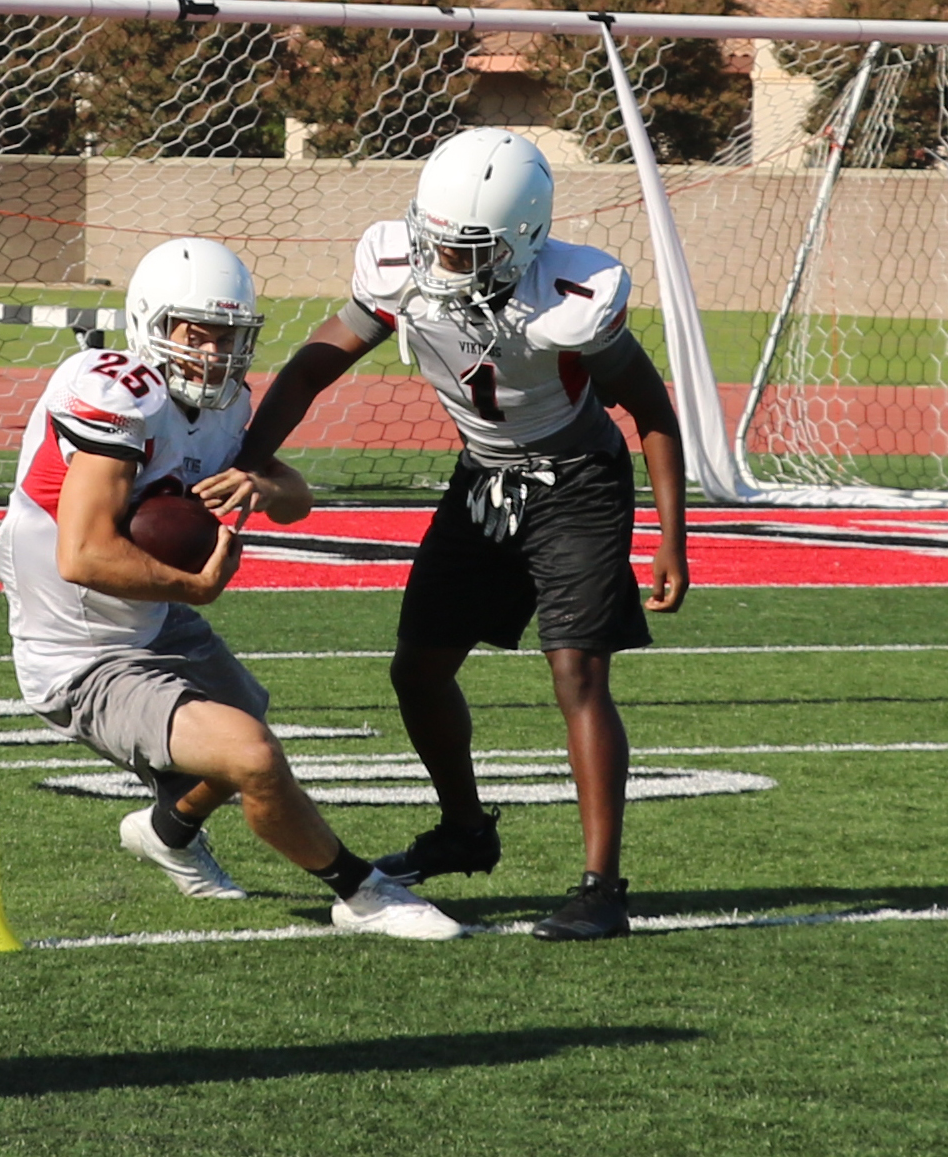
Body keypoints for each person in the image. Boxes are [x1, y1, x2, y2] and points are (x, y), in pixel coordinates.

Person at [224, 128, 689, 941]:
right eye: (434, 239)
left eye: (467, 249)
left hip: (577, 481)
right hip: (483, 475)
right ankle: (466, 829)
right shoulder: (401, 267)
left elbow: (651, 410)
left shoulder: (571, 297)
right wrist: (249, 459)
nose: (441, 260)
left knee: (577, 671)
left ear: (523, 240)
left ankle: (602, 887)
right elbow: (311, 366)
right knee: (418, 667)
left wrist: (672, 537)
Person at [0, 236, 463, 941]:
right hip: (81, 651)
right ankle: (362, 892)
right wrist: (196, 586)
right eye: (196, 334)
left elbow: (297, 498)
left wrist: (260, 484)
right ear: (151, 324)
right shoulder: (114, 392)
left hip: (152, 618)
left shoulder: (223, 405)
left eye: (228, 336)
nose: (213, 353)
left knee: (247, 717)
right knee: (251, 755)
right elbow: (83, 555)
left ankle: (167, 829)